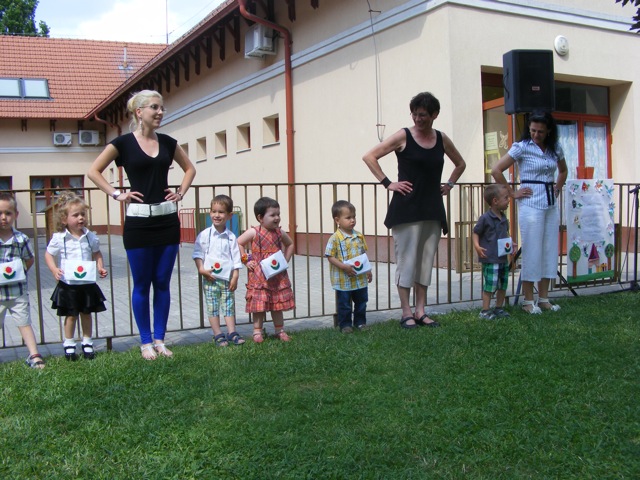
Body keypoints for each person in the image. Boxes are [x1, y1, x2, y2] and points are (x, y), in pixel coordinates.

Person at [87, 89, 196, 360]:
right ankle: (145, 342)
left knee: (162, 283)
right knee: (142, 284)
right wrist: (116, 194)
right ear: (139, 112)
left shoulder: (168, 142)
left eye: (161, 108)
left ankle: (160, 340)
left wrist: (180, 192)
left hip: (167, 221)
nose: (160, 112)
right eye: (154, 107)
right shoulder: (122, 143)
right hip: (137, 224)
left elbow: (190, 169)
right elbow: (93, 171)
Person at [362, 91, 466, 328]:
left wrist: (449, 184)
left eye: (423, 115)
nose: (418, 119)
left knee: (425, 262)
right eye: (415, 114)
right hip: (406, 208)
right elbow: (369, 157)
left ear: (434, 115)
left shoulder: (442, 138)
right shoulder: (403, 135)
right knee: (406, 261)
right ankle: (406, 312)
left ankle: (420, 310)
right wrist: (388, 183)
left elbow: (460, 164)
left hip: (432, 208)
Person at [491, 111, 568, 314]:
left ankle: (544, 299)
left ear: (549, 130)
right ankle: (528, 301)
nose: (536, 134)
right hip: (530, 204)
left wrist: (557, 188)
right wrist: (512, 193)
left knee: (549, 249)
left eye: (540, 131)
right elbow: (496, 170)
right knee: (532, 250)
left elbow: (563, 170)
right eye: (533, 130)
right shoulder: (522, 147)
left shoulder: (555, 148)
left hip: (550, 204)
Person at [44, 192, 108, 360]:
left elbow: (97, 253)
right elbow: (49, 254)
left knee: (86, 313)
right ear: (64, 219)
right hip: (68, 285)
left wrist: (100, 266)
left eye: (83, 214)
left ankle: (87, 342)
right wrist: (54, 269)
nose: (81, 218)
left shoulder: (90, 237)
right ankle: (69, 343)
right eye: (76, 215)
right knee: (71, 315)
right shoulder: (60, 238)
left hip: (87, 284)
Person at [237, 197, 294, 343]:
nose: (277, 218)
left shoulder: (279, 233)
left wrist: (285, 260)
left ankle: (279, 330)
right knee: (259, 303)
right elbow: (239, 243)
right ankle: (257, 332)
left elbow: (290, 244)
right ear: (260, 218)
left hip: (276, 274)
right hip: (259, 275)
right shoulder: (254, 232)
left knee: (277, 303)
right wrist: (246, 259)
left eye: (278, 214)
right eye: (272, 215)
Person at [0, 193, 45, 369]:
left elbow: (29, 259)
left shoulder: (21, 239)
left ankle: (34, 355)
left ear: (16, 215)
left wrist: (18, 272)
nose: (4, 217)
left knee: (24, 322)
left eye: (8, 213)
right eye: (0, 213)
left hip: (17, 292)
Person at [192, 195, 244, 347]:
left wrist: (235, 276)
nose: (217, 215)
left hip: (227, 279)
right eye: (214, 211)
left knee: (228, 305)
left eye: (221, 212)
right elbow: (198, 254)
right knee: (212, 306)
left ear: (229, 215)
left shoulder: (231, 237)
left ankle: (232, 332)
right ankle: (217, 334)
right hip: (210, 278)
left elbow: (236, 258)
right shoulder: (204, 235)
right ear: (210, 213)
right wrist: (201, 269)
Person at [325, 200, 373, 333]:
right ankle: (345, 325)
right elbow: (330, 256)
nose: (352, 220)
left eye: (354, 217)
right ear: (337, 220)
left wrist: (368, 270)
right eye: (348, 217)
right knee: (345, 304)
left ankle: (360, 323)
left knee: (361, 302)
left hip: (359, 278)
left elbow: (363, 254)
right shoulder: (335, 238)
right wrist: (344, 266)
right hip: (343, 280)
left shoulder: (359, 236)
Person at [472, 184, 512, 320]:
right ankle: (485, 310)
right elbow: (475, 232)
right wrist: (477, 247)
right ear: (495, 201)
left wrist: (511, 243)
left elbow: (505, 234)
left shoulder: (504, 218)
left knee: (502, 284)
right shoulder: (485, 218)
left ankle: (498, 308)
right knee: (490, 285)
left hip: (502, 258)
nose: (508, 200)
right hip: (490, 258)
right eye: (506, 198)